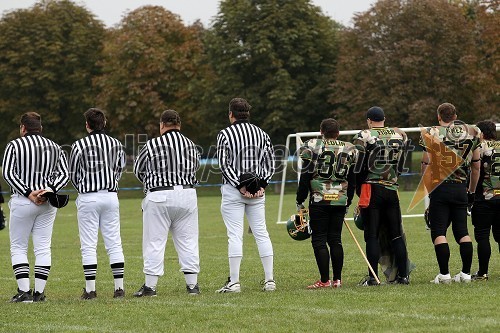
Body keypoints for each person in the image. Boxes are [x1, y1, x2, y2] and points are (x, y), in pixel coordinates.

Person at [2, 112, 69, 302]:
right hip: (47, 202)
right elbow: (64, 174)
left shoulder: (14, 145)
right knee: (43, 247)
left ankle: (24, 293)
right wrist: (48, 190)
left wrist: (28, 192)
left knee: (18, 247)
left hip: (23, 201)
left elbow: (8, 173)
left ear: (23, 127)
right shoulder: (55, 147)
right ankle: (39, 293)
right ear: (40, 128)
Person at [133, 109, 201, 296]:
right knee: (188, 241)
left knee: (154, 242)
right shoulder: (191, 145)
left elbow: (139, 170)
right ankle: (192, 286)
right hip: (187, 194)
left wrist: (152, 183)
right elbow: (195, 167)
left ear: (162, 125)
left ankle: (150, 287)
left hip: (159, 195)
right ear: (179, 125)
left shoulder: (152, 144)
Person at [216, 97, 276, 293]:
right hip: (257, 192)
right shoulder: (262, 134)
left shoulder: (225, 134)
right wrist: (262, 185)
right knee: (262, 233)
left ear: (231, 114)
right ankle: (269, 280)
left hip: (233, 191)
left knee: (234, 236)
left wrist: (240, 185)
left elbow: (224, 164)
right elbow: (270, 163)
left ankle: (234, 282)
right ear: (248, 113)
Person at [420, 102, 481, 284]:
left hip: (440, 187)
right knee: (462, 231)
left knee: (439, 231)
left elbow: (425, 164)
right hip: (461, 187)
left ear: (439, 116)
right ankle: (466, 274)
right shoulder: (471, 133)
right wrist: (471, 190)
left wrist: (428, 187)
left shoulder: (431, 133)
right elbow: (476, 165)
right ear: (455, 117)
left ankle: (444, 274)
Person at [69, 108, 126, 299]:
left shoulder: (79, 145)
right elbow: (119, 169)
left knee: (88, 244)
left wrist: (83, 188)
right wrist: (110, 184)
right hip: (110, 196)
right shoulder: (116, 144)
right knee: (114, 242)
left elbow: (73, 174)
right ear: (105, 123)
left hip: (88, 196)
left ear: (87, 125)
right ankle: (119, 288)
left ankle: (91, 290)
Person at [296, 118, 357, 289]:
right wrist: (348, 201)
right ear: (338, 133)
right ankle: (337, 280)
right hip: (340, 199)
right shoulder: (350, 149)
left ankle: (324, 280)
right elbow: (352, 180)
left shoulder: (313, 146)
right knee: (335, 239)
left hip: (319, 198)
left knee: (319, 240)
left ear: (321, 131)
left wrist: (300, 198)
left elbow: (306, 176)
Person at [353, 106, 410, 285]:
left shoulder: (364, 135)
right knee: (395, 234)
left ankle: (373, 277)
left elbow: (358, 166)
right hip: (392, 188)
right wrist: (393, 178)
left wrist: (358, 188)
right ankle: (403, 276)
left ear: (369, 120)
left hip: (372, 188)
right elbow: (401, 164)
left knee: (372, 235)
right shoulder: (399, 135)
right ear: (384, 118)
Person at [470, 120, 500, 281]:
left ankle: (483, 272)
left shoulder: (479, 148)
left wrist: (470, 193)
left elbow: (473, 171)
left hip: (485, 197)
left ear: (481, 133)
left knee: (482, 236)